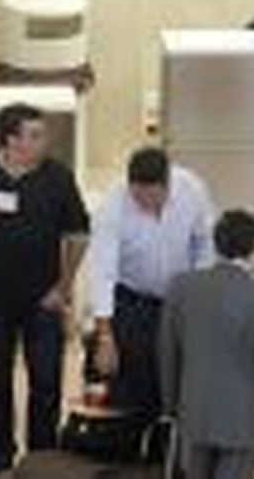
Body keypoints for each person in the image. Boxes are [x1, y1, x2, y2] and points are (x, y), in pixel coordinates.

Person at [0, 103, 90, 479]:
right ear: (11, 140)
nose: (44, 141)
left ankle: (41, 455)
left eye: (43, 134)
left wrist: (63, 287)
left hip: (44, 299)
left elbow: (78, 234)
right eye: (35, 135)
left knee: (47, 379)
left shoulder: (57, 176)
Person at [159, 209, 254, 479]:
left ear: (216, 243)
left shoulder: (181, 287)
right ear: (253, 247)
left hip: (195, 413)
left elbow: (167, 352)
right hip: (243, 421)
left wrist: (172, 405)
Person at [88, 146, 216, 415]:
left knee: (176, 374)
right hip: (132, 298)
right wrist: (105, 336)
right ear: (130, 186)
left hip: (182, 297)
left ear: (167, 184)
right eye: (139, 198)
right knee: (130, 378)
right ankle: (131, 433)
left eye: (154, 198)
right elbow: (103, 270)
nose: (147, 205)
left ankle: (168, 435)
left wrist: (200, 296)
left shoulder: (192, 189)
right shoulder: (112, 205)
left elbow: (205, 245)